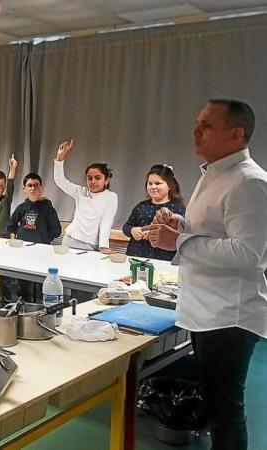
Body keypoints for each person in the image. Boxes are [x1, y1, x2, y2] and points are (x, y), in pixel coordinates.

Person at [145, 99, 267, 450]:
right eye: (197, 122)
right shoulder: (214, 174)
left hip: (228, 317)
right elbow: (213, 232)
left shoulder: (249, 182)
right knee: (217, 407)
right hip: (205, 311)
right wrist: (179, 225)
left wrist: (179, 241)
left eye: (207, 125)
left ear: (236, 133)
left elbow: (249, 254)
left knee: (225, 413)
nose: (195, 131)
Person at [53, 140, 117, 253]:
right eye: (89, 178)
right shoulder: (80, 191)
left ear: (106, 180)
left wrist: (104, 246)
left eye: (98, 178)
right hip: (70, 239)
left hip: (91, 244)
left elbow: (106, 222)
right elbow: (59, 181)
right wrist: (59, 158)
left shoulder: (111, 197)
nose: (93, 181)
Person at [6, 172, 61, 300]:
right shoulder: (21, 208)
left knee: (40, 285)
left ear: (41, 188)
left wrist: (44, 240)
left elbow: (56, 230)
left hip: (42, 253)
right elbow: (11, 225)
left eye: (36, 185)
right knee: (23, 286)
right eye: (29, 185)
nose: (33, 188)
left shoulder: (47, 208)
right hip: (23, 252)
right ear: (24, 189)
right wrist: (14, 238)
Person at [122, 164, 185, 260]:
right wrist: (133, 230)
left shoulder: (178, 208)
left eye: (158, 183)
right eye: (150, 183)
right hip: (136, 255)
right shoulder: (141, 206)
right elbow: (126, 227)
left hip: (164, 258)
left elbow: (181, 233)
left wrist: (155, 233)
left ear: (170, 186)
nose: (153, 187)